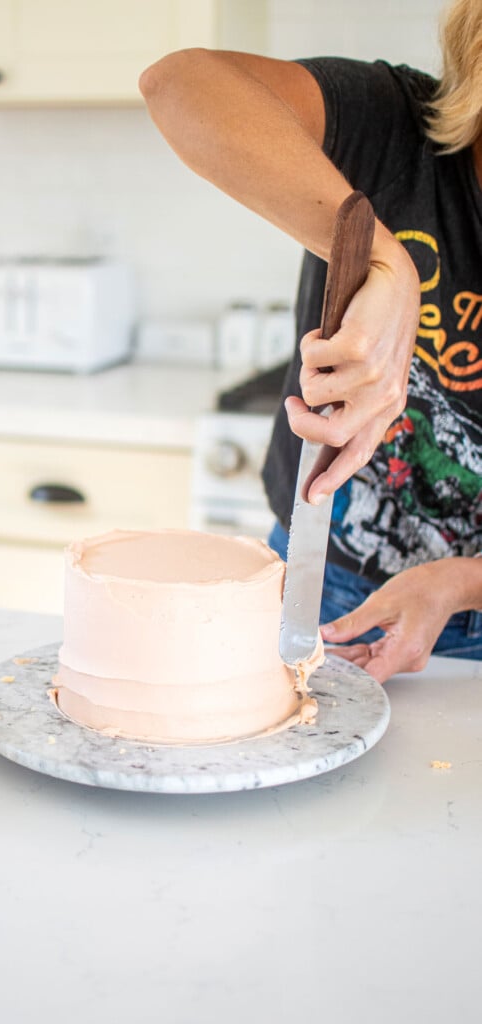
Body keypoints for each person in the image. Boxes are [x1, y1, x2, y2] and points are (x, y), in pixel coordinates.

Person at [139, 0, 482, 683]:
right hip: (322, 576)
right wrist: (386, 261)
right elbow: (179, 83)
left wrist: (459, 584)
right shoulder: (395, 127)